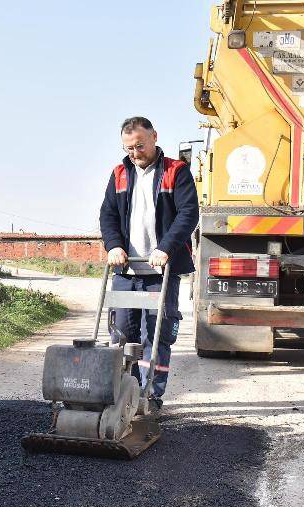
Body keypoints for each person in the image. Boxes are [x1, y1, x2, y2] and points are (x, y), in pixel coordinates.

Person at [99, 116, 199, 411]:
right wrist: (114, 245)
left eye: (139, 146)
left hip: (161, 271)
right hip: (126, 270)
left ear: (154, 137)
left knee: (155, 336)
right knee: (121, 335)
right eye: (129, 148)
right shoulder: (119, 174)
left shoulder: (176, 172)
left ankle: (150, 397)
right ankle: (123, 394)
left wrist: (165, 248)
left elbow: (188, 214)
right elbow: (108, 216)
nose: (134, 153)